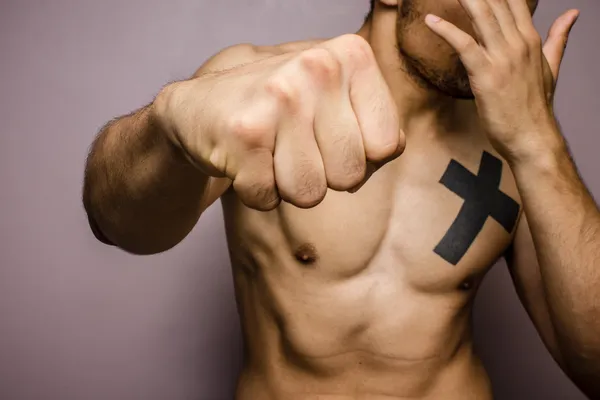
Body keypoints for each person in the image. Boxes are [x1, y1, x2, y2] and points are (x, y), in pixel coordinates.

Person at [82, 0, 600, 398]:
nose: (507, 23)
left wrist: (538, 141)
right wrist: (170, 121)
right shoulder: (274, 88)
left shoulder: (520, 145)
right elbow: (116, 223)